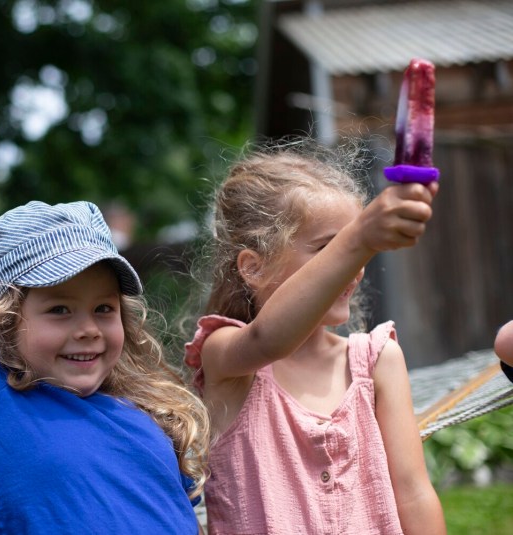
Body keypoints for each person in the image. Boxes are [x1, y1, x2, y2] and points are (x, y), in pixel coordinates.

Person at [0, 75, 209, 534]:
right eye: (60, 309)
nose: (88, 327)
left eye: (104, 309)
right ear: (4, 324)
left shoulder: (148, 417)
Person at [183, 140, 446, 535]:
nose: (353, 268)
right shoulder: (226, 357)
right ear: (254, 268)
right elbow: (269, 340)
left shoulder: (377, 361)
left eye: (353, 251)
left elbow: (412, 493)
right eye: (330, 249)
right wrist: (359, 237)